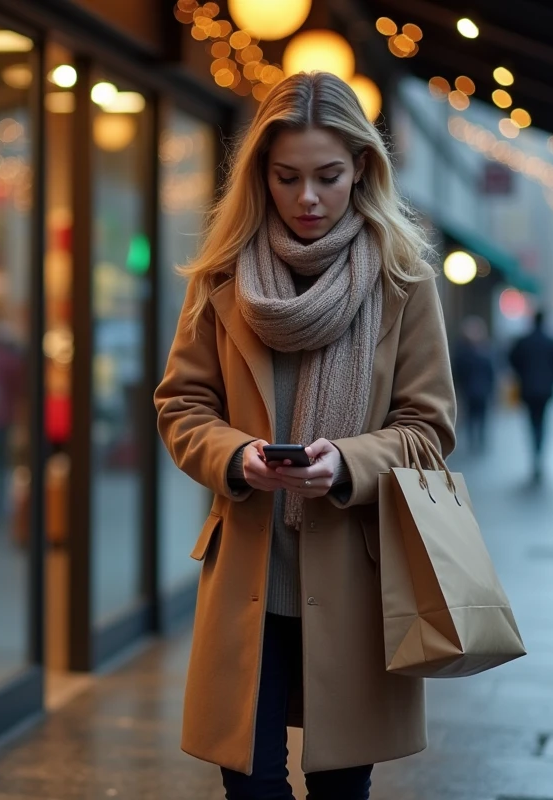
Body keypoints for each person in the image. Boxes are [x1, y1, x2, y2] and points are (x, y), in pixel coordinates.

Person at [154, 72, 455, 800]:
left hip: (355, 581)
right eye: (287, 177)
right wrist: (237, 457)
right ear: (261, 173)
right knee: (250, 785)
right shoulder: (221, 276)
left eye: (328, 176)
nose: (308, 197)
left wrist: (345, 463)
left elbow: (428, 430)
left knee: (341, 789)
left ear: (362, 169)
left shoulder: (402, 280)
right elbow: (182, 405)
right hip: (247, 579)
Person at [508, 310, 553, 481]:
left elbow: (512, 359)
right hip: (546, 390)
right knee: (543, 421)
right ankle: (539, 451)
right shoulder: (551, 342)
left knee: (532, 421)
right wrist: (552, 378)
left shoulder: (524, 342)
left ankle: (535, 451)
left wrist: (522, 374)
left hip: (528, 389)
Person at [451, 316, 496, 454]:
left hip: (479, 389)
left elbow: (490, 372)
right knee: (472, 416)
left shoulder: (482, 351)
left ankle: (479, 440)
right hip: (471, 390)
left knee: (480, 415)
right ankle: (475, 440)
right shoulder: (465, 352)